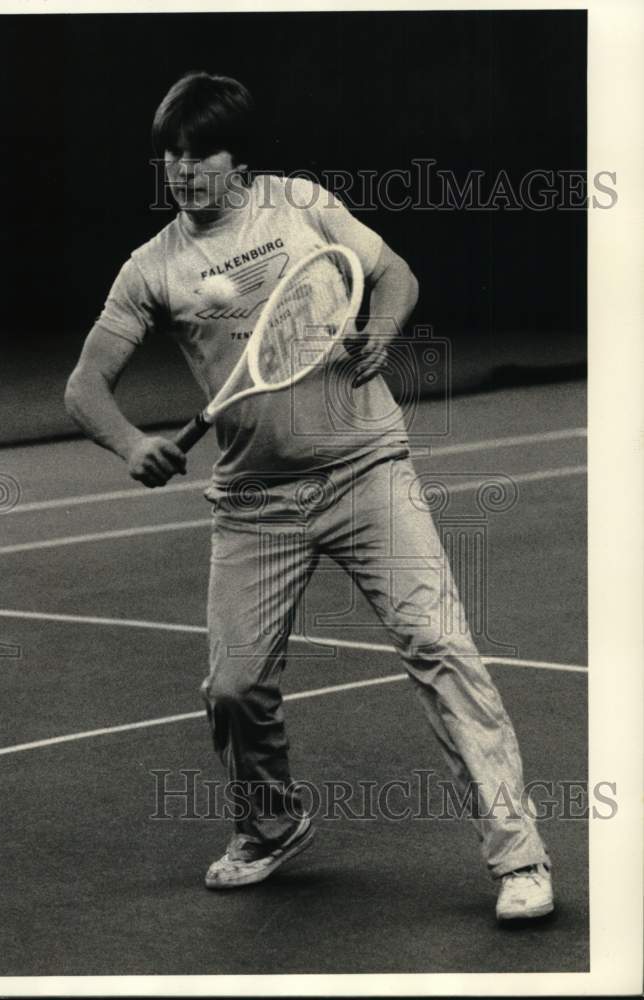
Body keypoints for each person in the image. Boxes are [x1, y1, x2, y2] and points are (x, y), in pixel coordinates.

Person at [64, 71, 554, 921]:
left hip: (367, 469)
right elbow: (84, 387)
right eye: (170, 155)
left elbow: (394, 274)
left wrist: (382, 334)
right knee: (233, 688)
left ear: (236, 158)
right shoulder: (152, 268)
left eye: (199, 153)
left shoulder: (302, 205)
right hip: (255, 503)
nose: (182, 169)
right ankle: (272, 826)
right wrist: (130, 442)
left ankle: (519, 858)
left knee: (439, 646)